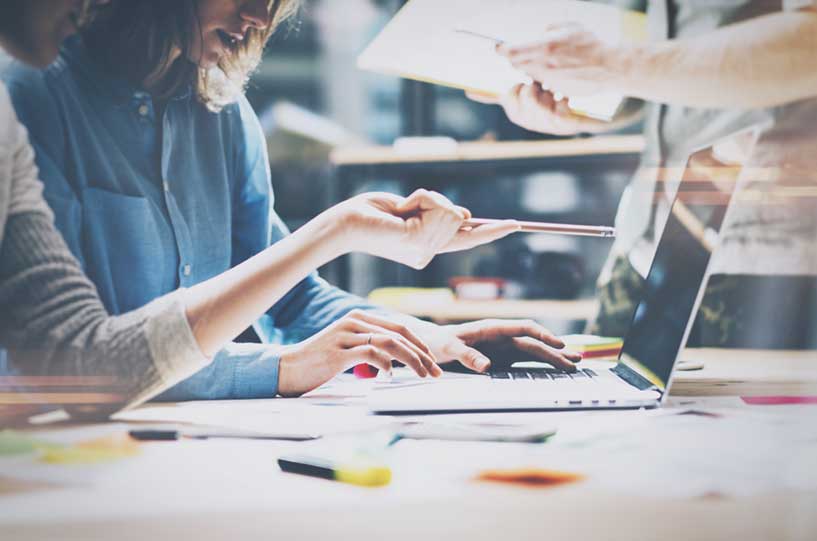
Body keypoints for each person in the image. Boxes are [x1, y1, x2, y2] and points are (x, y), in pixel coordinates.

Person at [2, 0, 583, 404]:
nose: (257, 17)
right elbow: (62, 361)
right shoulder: (27, 98)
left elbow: (288, 299)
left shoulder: (220, 112)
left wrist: (432, 340)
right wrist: (281, 370)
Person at [469, 0, 817, 348]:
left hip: (771, 258)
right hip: (643, 243)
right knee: (590, 396)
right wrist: (587, 105)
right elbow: (659, 56)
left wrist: (611, 64)